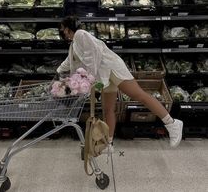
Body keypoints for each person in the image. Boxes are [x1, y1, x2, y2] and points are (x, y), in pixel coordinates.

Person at [57, 16, 183, 151]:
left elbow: (92, 56)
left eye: (63, 28)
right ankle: (109, 143)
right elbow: (69, 62)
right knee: (108, 109)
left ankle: (172, 123)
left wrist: (88, 77)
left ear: (68, 28)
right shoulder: (74, 44)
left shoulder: (81, 34)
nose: (62, 31)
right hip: (104, 76)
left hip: (112, 69)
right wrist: (58, 72)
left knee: (139, 95)